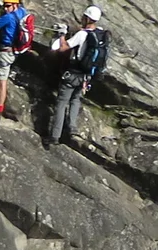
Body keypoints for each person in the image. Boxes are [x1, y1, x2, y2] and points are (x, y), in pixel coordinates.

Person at [48, 6, 109, 146]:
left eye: (83, 17)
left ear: (87, 18)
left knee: (62, 103)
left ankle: (54, 136)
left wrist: (62, 35)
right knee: (75, 100)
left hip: (73, 74)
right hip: (86, 76)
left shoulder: (82, 35)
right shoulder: (100, 34)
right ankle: (72, 127)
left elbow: (63, 48)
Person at [0, 0, 30, 120]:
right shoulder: (22, 12)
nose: (5, 8)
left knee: (2, 82)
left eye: (8, 6)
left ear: (15, 5)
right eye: (4, 6)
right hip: (11, 51)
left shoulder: (9, 17)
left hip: (5, 52)